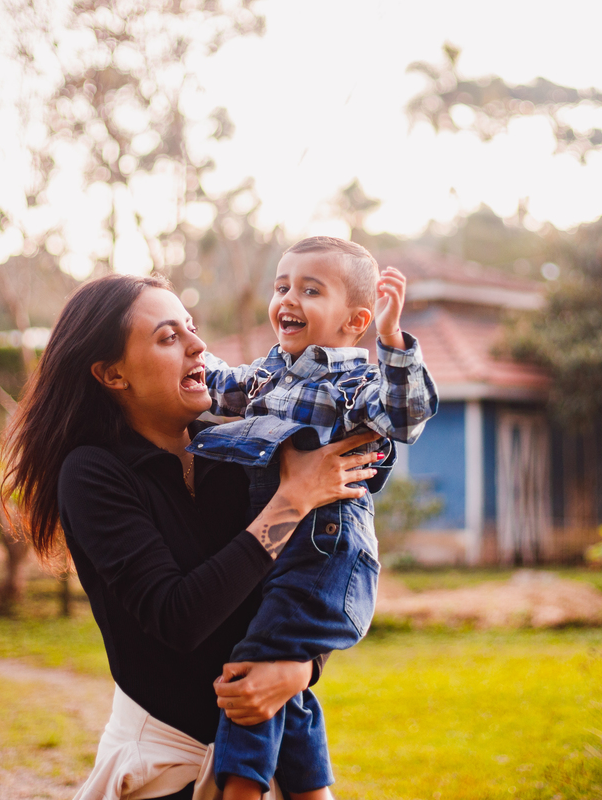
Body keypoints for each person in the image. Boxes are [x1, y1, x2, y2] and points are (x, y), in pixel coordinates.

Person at [0, 272, 386, 800]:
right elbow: (178, 617)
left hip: (260, 755)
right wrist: (293, 499)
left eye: (191, 327)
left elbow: (313, 578)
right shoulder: (93, 473)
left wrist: (301, 668)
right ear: (113, 374)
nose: (198, 345)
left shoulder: (239, 450)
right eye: (168, 337)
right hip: (163, 763)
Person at [191, 236, 439, 800]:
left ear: (356, 319)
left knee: (253, 668)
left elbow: (405, 415)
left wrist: (394, 340)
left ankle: (239, 790)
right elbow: (215, 383)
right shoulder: (266, 377)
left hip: (327, 556)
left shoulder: (352, 384)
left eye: (309, 289)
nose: (288, 299)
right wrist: (184, 346)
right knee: (286, 686)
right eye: (282, 287)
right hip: (285, 552)